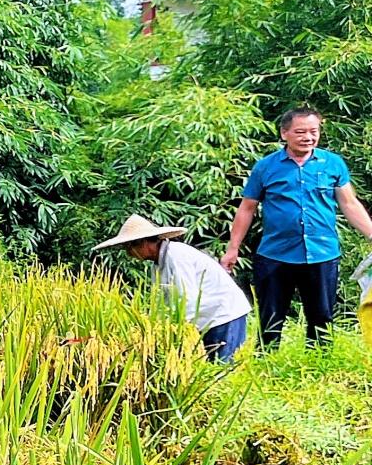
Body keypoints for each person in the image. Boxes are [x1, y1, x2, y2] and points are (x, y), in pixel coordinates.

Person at [224, 106, 372, 347]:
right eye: (300, 132)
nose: (308, 137)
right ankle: (268, 363)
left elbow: (349, 203)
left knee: (322, 317)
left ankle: (320, 364)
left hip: (322, 252)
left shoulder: (332, 164)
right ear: (284, 133)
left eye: (314, 131)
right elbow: (247, 208)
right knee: (271, 317)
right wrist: (233, 248)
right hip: (275, 253)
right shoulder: (266, 167)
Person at [95, 214, 250, 361]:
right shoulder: (157, 266)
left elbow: (187, 299)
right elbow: (164, 304)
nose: (129, 254)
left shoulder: (176, 256)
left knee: (222, 369)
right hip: (206, 319)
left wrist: (180, 333)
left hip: (223, 314)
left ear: (142, 242)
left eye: (128, 248)